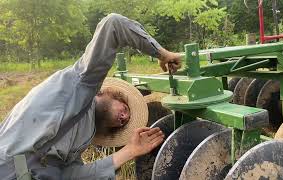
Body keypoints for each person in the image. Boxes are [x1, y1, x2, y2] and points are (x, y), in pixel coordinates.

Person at [0, 13, 181, 179]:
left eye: (124, 122)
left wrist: (131, 151)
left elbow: (71, 176)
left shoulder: (79, 142)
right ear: (107, 93)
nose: (125, 117)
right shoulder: (80, 85)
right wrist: (161, 54)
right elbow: (114, 25)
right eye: (125, 108)